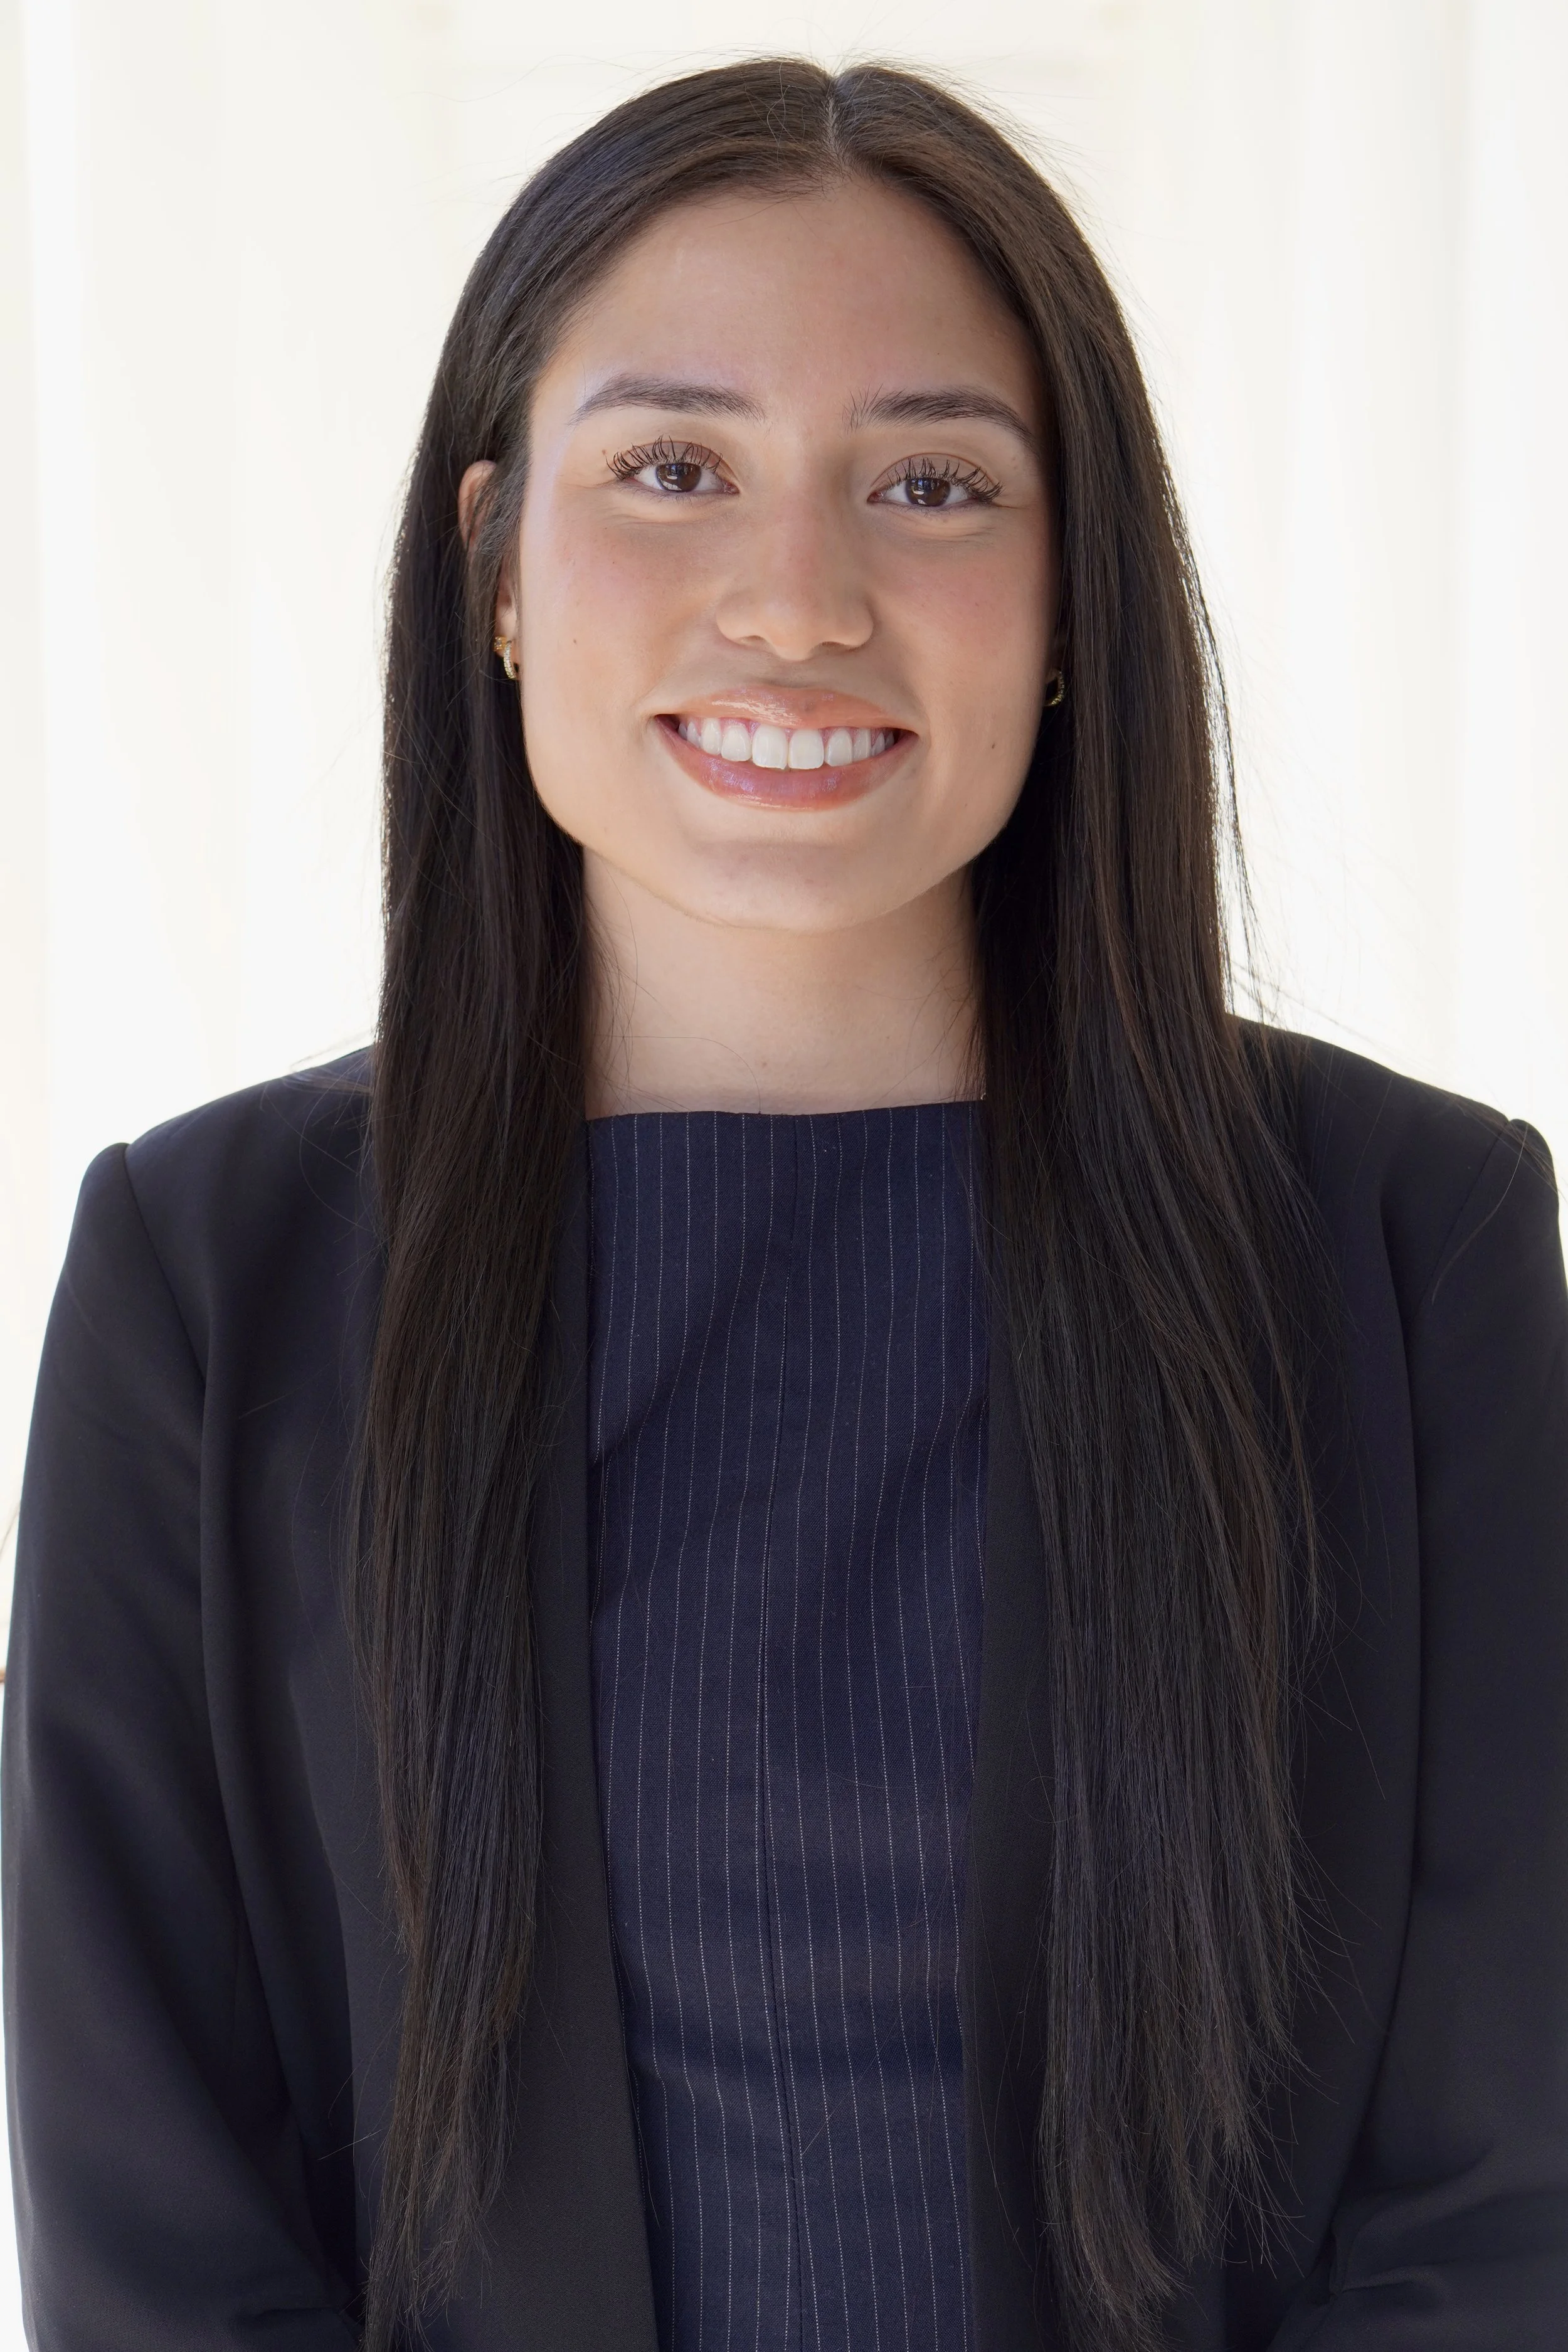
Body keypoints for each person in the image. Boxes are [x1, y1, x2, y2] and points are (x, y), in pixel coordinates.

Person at [4, 57, 1565, 2352]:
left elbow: (1502, 2196)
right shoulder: (208, 1281)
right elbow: (153, 2236)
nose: (799, 598)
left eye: (931, 480)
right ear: (495, 571)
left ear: (1070, 588)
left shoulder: (1407, 1247)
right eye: (671, 470)